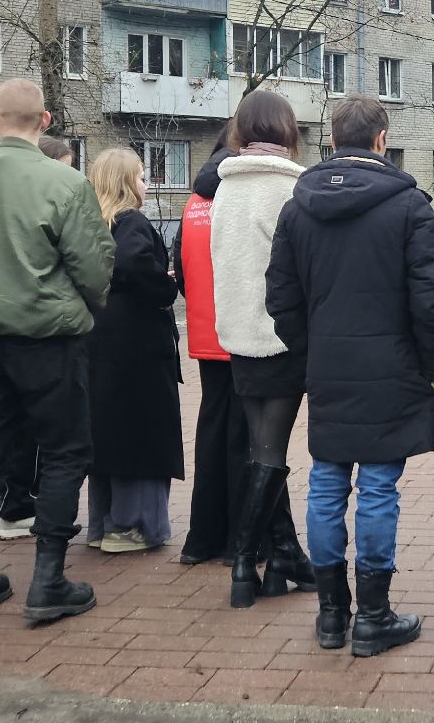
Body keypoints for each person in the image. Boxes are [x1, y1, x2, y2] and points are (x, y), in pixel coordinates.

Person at [267, 95, 434, 657]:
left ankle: (331, 615)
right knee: (376, 488)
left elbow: (280, 297)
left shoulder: (298, 209)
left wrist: (310, 353)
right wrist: (432, 368)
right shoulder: (410, 208)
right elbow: (433, 301)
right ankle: (373, 617)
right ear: (382, 139)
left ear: (331, 141)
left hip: (328, 367)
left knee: (326, 483)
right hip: (393, 369)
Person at [0, 79, 115, 625]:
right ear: (46, 120)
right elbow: (94, 267)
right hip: (49, 341)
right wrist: (86, 306)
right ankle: (48, 579)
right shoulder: (64, 182)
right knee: (64, 453)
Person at [210, 90, 315, 607]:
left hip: (238, 334)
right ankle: (243, 563)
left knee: (262, 448)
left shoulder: (226, 189)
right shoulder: (291, 190)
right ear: (286, 129)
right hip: (281, 334)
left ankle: (285, 556)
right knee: (270, 453)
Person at [83, 148, 184, 553]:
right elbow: (132, 262)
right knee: (142, 432)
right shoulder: (131, 221)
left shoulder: (90, 223)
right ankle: (131, 525)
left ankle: (103, 523)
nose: (146, 184)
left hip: (98, 338)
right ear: (126, 182)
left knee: (106, 433)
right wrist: (165, 285)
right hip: (137, 345)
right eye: (142, 176)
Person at [0, 135, 79, 542]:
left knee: (17, 427)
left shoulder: (7, 204)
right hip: (37, 329)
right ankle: (19, 506)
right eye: (64, 167)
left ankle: (15, 505)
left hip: (5, 329)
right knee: (36, 430)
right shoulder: (43, 208)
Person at [173, 133, 248, 566]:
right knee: (245, 436)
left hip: (206, 331)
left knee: (211, 428)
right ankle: (240, 540)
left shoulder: (195, 201)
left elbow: (181, 267)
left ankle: (201, 538)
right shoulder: (241, 193)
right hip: (244, 333)